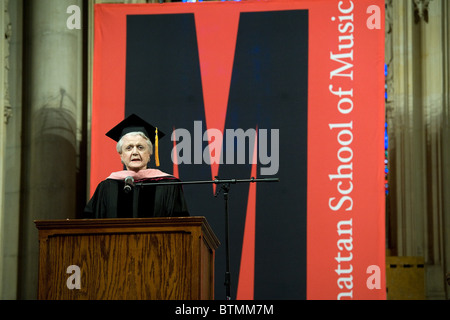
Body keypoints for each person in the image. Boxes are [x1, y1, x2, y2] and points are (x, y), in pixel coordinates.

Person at [83, 113, 189, 218]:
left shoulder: (168, 185)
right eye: (129, 148)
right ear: (121, 155)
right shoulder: (106, 187)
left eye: (140, 147)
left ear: (149, 154)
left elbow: (181, 224)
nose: (135, 152)